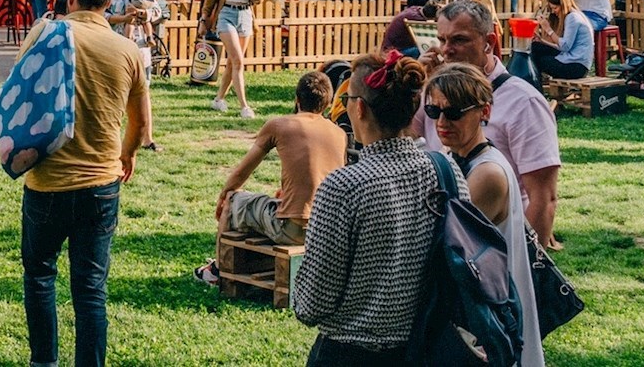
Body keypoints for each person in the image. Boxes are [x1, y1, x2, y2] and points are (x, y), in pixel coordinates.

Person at [16, 0, 149, 367]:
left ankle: (45, 362)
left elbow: (20, 89)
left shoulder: (44, 33)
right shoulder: (127, 51)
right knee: (91, 288)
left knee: (40, 276)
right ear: (110, 1)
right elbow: (142, 124)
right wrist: (126, 154)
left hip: (47, 181)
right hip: (101, 183)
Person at [292, 50, 445, 364]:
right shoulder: (445, 171)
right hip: (425, 347)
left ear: (358, 107)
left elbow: (312, 303)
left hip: (350, 352)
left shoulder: (344, 187)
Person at [416, 0, 563, 250]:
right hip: (445, 244)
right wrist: (415, 84)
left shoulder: (523, 102)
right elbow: (398, 137)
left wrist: (521, 270)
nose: (447, 50)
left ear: (489, 42)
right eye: (442, 40)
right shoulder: (432, 94)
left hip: (498, 248)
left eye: (459, 40)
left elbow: (543, 199)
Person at [425, 63, 544, 367]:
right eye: (433, 111)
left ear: (484, 112)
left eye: (453, 113)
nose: (442, 121)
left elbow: (442, 240)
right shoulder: (455, 158)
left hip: (491, 313)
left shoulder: (487, 173)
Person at [194, 70, 345, 288]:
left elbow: (241, 173)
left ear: (297, 99)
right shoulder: (338, 133)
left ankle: (217, 271)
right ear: (328, 104)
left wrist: (223, 196)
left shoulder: (280, 125)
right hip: (325, 230)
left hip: (292, 228)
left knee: (233, 200)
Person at [204, 0, 258, 118]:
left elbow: (258, 0)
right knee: (238, 61)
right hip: (226, 13)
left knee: (232, 62)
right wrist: (205, 17)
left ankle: (219, 100)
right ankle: (244, 106)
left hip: (245, 15)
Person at [528, 0, 595, 81]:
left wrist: (548, 29)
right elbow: (564, 47)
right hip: (572, 60)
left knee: (539, 60)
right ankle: (536, 82)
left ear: (563, 5)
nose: (554, 12)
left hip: (576, 67)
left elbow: (565, 46)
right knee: (536, 46)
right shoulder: (575, 15)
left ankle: (536, 84)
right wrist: (542, 41)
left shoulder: (573, 18)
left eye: (555, 8)